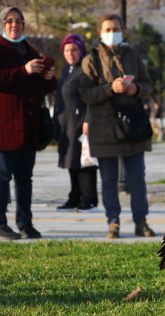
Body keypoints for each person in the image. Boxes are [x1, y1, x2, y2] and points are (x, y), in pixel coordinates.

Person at [0, 6, 57, 240]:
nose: (15, 25)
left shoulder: (28, 50)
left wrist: (48, 78)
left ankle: (25, 223)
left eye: (19, 21)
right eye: (10, 21)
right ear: (3, 25)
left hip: (27, 129)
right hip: (2, 128)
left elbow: (41, 88)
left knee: (25, 180)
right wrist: (23, 70)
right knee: (1, 178)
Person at [79, 12, 155, 239]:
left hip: (133, 126)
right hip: (104, 127)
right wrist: (110, 88)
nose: (113, 33)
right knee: (109, 180)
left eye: (116, 29)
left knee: (137, 178)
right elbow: (85, 93)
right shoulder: (90, 59)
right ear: (100, 33)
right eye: (108, 30)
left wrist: (136, 89)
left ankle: (141, 221)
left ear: (123, 30)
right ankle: (113, 222)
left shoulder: (133, 54)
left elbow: (149, 84)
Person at [54, 33, 98, 212]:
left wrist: (88, 119)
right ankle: (75, 196)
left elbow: (90, 97)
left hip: (81, 122)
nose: (70, 53)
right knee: (71, 160)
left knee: (84, 161)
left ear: (81, 51)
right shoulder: (67, 70)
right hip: (66, 123)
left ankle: (89, 199)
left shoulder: (85, 69)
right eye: (66, 50)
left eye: (74, 49)